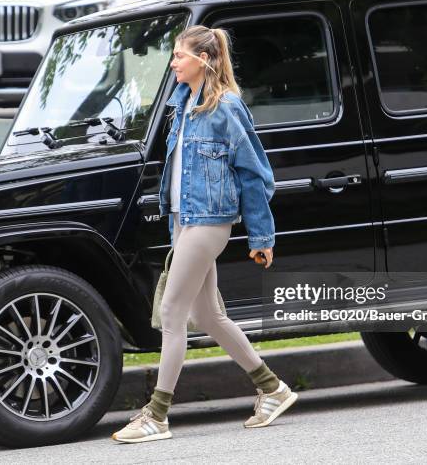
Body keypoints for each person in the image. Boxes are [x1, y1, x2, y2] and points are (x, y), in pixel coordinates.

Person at [112, 25, 297, 444]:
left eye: (180, 55)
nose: (173, 62)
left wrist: (261, 237)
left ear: (204, 60)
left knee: (174, 315)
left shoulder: (226, 108)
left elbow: (256, 176)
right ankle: (273, 389)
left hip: (209, 223)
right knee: (208, 317)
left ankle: (157, 416)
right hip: (184, 221)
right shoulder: (183, 103)